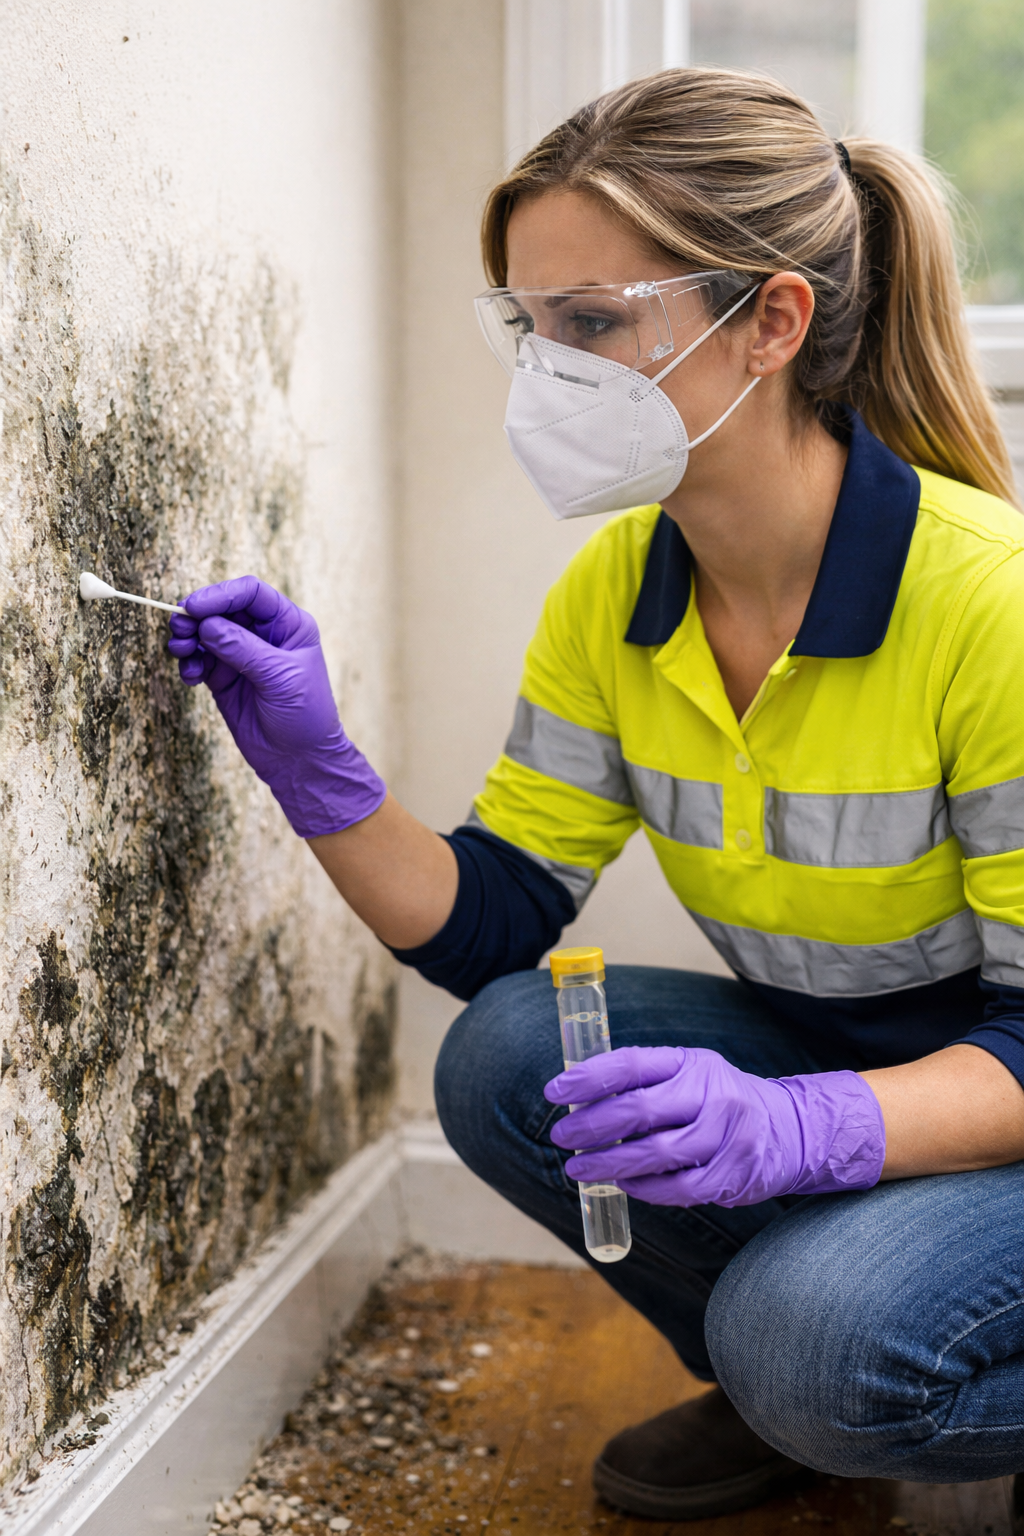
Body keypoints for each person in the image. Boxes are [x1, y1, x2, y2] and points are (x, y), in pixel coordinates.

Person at [169, 68, 1024, 1523]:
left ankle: (816, 1372)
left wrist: (803, 1129)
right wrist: (315, 770)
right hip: (852, 1053)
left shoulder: (987, 607)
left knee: (813, 1337)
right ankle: (785, 1397)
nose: (542, 375)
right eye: (525, 325)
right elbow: (496, 927)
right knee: (511, 1055)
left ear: (771, 320)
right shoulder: (617, 595)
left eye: (590, 326)